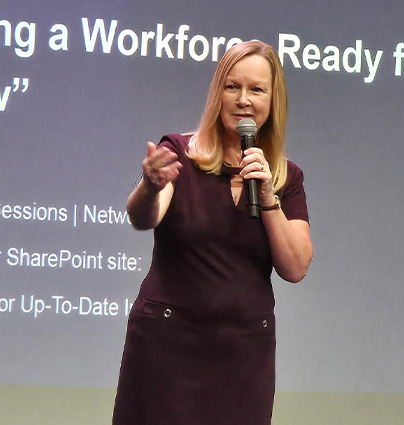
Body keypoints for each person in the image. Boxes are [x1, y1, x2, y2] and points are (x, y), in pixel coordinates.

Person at [112, 40, 313, 425]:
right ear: (217, 93)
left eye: (256, 89)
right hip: (167, 346)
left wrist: (269, 198)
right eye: (232, 87)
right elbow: (144, 216)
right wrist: (150, 186)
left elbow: (295, 267)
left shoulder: (287, 177)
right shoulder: (182, 153)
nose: (243, 100)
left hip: (242, 355)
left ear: (273, 101)